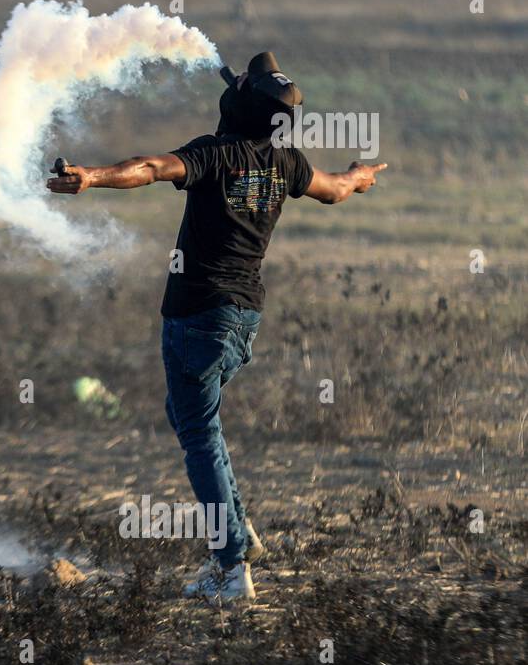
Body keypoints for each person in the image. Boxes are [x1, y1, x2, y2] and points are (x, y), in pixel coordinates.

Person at [46, 52, 387, 600]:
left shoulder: (217, 152)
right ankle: (238, 535)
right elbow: (336, 189)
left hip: (197, 314)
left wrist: (92, 176)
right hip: (243, 317)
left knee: (198, 432)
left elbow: (152, 168)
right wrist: (361, 176)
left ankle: (231, 570)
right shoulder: (287, 162)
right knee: (191, 417)